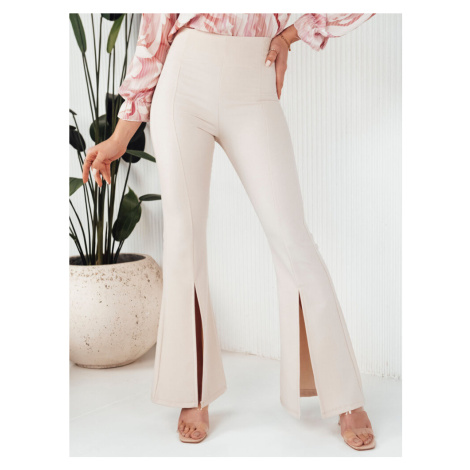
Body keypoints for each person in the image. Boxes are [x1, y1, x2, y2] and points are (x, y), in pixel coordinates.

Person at [82, 13, 377, 451]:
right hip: (183, 77)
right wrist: (121, 135)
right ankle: (193, 393)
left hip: (254, 76)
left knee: (293, 238)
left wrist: (292, 34)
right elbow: (154, 34)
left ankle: (345, 397)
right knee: (183, 241)